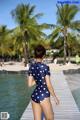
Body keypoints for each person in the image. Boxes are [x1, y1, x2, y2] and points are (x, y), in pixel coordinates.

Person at [28, 44, 59, 120]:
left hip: (34, 96)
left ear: (35, 55)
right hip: (43, 95)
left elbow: (29, 84)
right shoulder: (45, 67)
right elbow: (48, 85)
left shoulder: (31, 67)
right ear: (44, 55)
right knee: (50, 118)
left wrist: (38, 79)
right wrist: (55, 97)